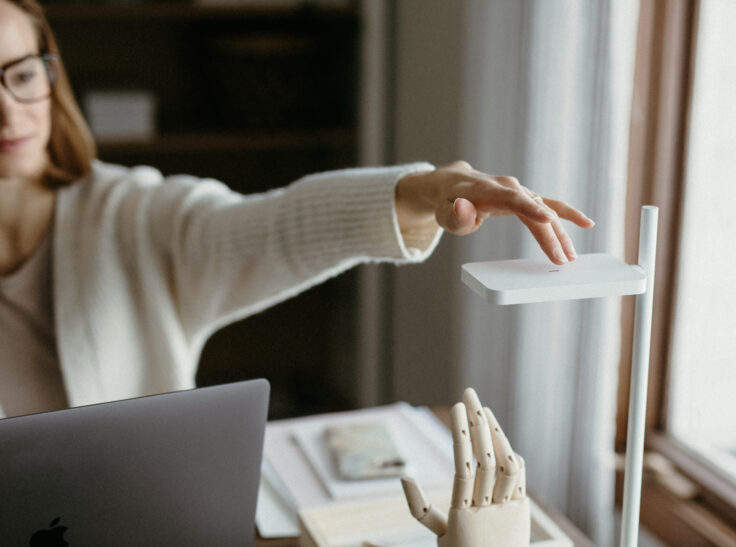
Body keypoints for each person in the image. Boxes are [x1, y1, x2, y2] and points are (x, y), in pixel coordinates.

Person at [0, 0, 594, 419]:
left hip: (139, 539)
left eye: (23, 74)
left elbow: (278, 228)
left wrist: (429, 186)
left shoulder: (129, 214)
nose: (10, 111)